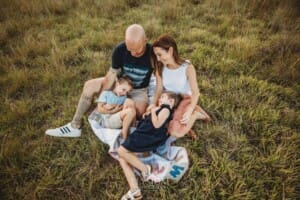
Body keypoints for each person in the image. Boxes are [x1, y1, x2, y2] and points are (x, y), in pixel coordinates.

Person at [45, 24, 153, 137]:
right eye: (130, 49)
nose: (133, 53)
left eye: (137, 50)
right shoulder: (120, 50)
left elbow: (161, 76)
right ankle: (75, 125)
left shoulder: (152, 53)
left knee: (139, 113)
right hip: (120, 84)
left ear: (145, 40)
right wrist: (103, 99)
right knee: (89, 86)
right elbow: (112, 74)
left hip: (138, 90)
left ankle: (118, 122)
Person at [117, 91, 182, 200]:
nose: (160, 99)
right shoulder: (160, 109)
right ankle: (135, 191)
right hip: (143, 134)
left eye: (162, 97)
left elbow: (157, 125)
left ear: (171, 101)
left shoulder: (166, 109)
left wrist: (152, 111)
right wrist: (147, 114)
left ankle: (145, 169)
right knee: (122, 158)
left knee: (121, 151)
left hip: (146, 136)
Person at [149, 34, 211, 139]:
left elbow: (195, 92)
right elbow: (159, 89)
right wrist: (153, 104)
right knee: (154, 124)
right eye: (156, 55)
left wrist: (189, 110)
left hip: (184, 99)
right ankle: (186, 125)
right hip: (169, 99)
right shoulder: (159, 67)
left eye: (159, 55)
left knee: (174, 132)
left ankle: (195, 114)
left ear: (170, 51)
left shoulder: (187, 68)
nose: (158, 59)